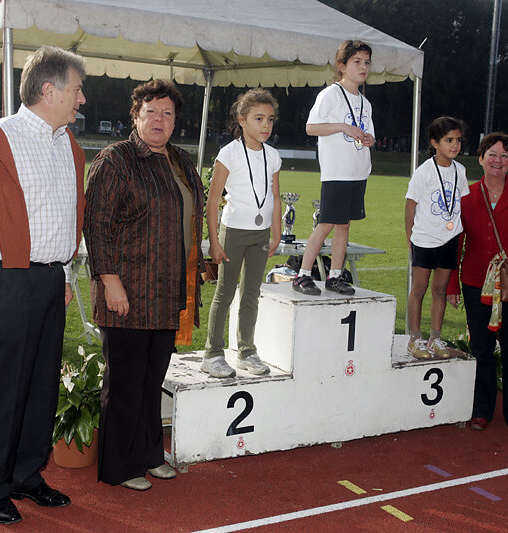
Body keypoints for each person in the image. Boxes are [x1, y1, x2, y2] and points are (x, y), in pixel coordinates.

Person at [0, 46, 86, 525]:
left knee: (41, 384)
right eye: (77, 89)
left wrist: (64, 274)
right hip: (8, 279)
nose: (82, 99)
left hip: (49, 279)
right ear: (49, 90)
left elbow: (63, 218)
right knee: (5, 388)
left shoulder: (67, 144)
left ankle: (25, 475)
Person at [84, 79, 204, 490]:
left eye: (167, 113)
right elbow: (96, 225)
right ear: (135, 116)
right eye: (151, 111)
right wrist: (109, 281)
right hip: (127, 292)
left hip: (167, 293)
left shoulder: (180, 161)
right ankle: (120, 466)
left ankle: (151, 455)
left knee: (153, 381)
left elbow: (188, 218)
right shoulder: (116, 160)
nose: (159, 119)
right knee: (125, 383)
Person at [201, 89, 281, 378]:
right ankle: (212, 353)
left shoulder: (273, 156)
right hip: (233, 232)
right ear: (242, 119)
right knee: (224, 292)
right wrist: (214, 241)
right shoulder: (230, 153)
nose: (266, 125)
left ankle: (247, 351)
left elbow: (275, 196)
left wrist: (276, 233)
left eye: (270, 119)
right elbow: (212, 200)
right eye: (259, 118)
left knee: (251, 294)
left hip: (260, 234)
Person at [292, 40, 375, 297]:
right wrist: (342, 127)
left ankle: (335, 276)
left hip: (357, 172)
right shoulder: (330, 95)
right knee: (326, 223)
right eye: (357, 62)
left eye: (367, 62)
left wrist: (369, 139)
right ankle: (303, 274)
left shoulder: (365, 102)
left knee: (344, 225)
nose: (363, 67)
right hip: (337, 171)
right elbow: (311, 127)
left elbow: (368, 133)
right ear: (341, 65)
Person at [447, 132, 508, 430]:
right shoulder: (466, 196)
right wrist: (451, 286)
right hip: (475, 284)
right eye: (492, 154)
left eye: (504, 156)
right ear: (481, 159)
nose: (498, 160)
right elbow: (456, 244)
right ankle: (482, 410)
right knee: (482, 349)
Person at [405, 117, 469, 360]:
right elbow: (410, 206)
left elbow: (461, 202)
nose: (455, 145)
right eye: (449, 140)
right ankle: (415, 339)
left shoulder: (460, 170)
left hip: (450, 238)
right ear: (435, 143)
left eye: (458, 140)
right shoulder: (424, 172)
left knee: (440, 289)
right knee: (419, 289)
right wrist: (410, 238)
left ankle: (435, 338)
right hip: (425, 239)